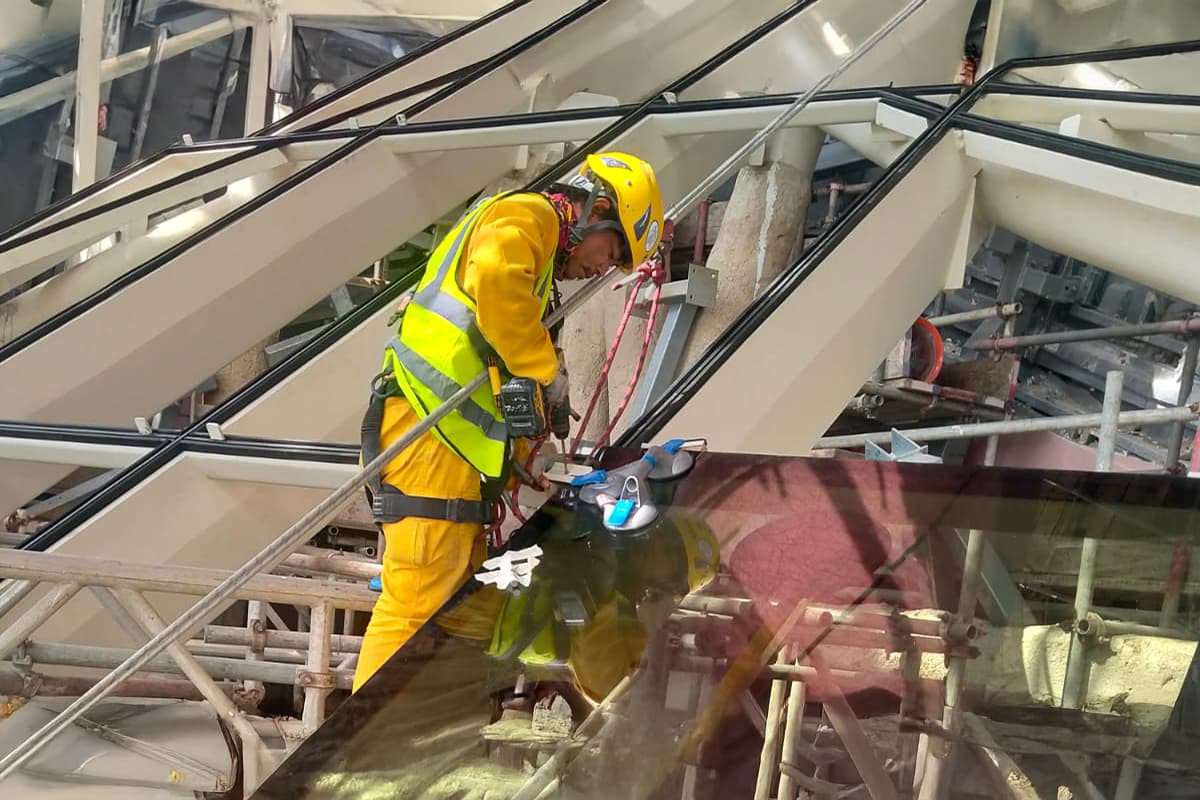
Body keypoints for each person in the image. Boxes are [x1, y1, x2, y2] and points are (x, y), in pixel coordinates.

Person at [352, 152, 665, 692]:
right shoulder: (529, 215)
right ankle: (350, 760)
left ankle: (429, 721)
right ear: (597, 210)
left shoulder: (537, 262)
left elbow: (493, 351)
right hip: (429, 436)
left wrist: (523, 458)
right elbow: (498, 279)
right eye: (611, 252)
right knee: (415, 601)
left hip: (449, 444)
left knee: (462, 604)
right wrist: (546, 371)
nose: (603, 269)